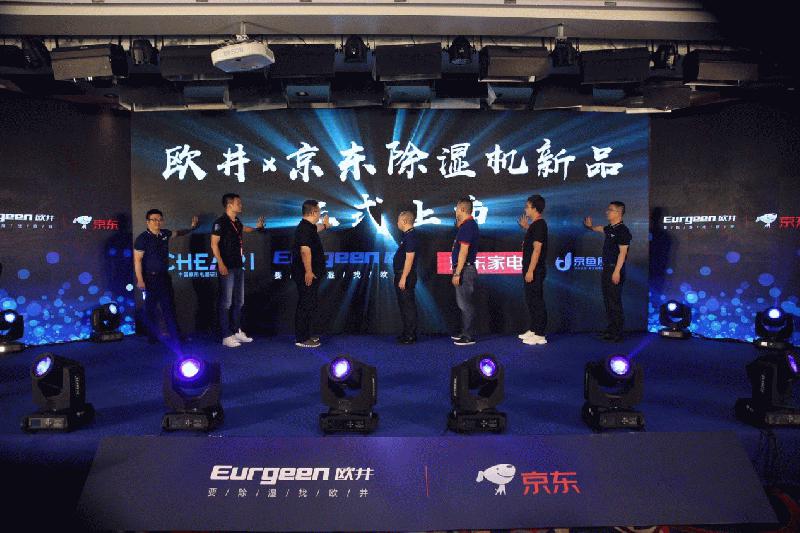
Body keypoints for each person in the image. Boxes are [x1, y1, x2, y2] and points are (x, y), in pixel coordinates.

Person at [133, 209, 198, 344]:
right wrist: (140, 280)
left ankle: (175, 336)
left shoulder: (165, 234)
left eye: (160, 219)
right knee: (151, 309)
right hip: (149, 278)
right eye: (154, 220)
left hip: (164, 277)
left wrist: (192, 228)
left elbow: (178, 233)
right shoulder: (142, 239)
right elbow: (137, 260)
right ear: (148, 222)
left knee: (169, 307)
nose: (157, 222)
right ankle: (152, 337)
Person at [210, 193, 264, 348]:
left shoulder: (237, 221)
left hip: (238, 266)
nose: (241, 205)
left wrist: (257, 228)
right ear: (229, 205)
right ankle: (226, 336)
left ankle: (236, 331)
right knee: (226, 302)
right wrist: (220, 263)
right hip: (226, 267)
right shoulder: (220, 223)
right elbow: (214, 244)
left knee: (239, 301)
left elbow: (244, 229)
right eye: (238, 203)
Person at [583, 201, 632, 342]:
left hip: (615, 269)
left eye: (610, 210)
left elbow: (623, 253)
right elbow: (601, 229)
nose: (607, 212)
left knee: (614, 301)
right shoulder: (610, 228)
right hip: (606, 269)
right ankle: (611, 330)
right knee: (608, 301)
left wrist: (617, 271)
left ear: (618, 212)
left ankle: (617, 333)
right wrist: (590, 227)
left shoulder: (623, 231)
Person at [292, 199, 330, 348]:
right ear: (314, 212)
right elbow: (304, 250)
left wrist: (325, 225)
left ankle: (306, 334)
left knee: (309, 303)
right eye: (319, 211)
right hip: (306, 274)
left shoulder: (308, 227)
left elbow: (316, 229)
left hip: (311, 273)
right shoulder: (304, 229)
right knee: (305, 304)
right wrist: (308, 271)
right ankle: (301, 339)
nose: (320, 214)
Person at [517, 194, 548, 346]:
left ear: (535, 208)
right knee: (531, 300)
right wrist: (526, 227)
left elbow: (537, 249)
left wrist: (531, 270)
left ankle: (540, 334)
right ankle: (534, 329)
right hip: (530, 268)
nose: (525, 209)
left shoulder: (540, 224)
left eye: (527, 207)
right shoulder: (535, 225)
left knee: (537, 301)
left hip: (535, 270)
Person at [451, 197, 480, 346]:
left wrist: (458, 272)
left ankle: (469, 335)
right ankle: (464, 332)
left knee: (465, 304)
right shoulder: (466, 226)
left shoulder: (468, 226)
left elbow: (463, 251)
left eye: (457, 208)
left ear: (462, 209)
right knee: (462, 303)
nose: (455, 211)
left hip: (465, 269)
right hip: (464, 268)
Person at [394, 211, 418, 344]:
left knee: (408, 306)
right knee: (404, 306)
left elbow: (409, 258)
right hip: (402, 274)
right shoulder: (407, 236)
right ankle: (406, 332)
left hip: (406, 275)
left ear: (404, 221)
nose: (397, 223)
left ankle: (410, 335)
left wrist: (403, 277)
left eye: (398, 220)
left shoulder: (411, 236)